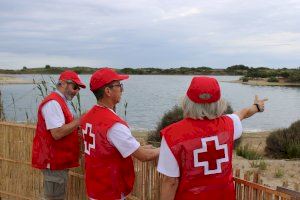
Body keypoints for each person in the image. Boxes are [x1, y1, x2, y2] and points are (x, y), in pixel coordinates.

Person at [157, 76, 268, 200]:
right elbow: (243, 113)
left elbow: (170, 181)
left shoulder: (172, 134)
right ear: (219, 103)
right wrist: (257, 107)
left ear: (187, 101)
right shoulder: (229, 124)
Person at [81, 68, 160, 200]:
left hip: (95, 187)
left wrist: (142, 147)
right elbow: (144, 156)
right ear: (108, 91)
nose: (122, 89)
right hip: (110, 190)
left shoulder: (88, 117)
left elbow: (105, 148)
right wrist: (165, 148)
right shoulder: (114, 125)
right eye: (119, 85)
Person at [32, 70, 86, 200]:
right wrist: (80, 120)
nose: (76, 91)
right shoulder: (53, 103)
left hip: (58, 160)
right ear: (62, 84)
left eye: (78, 88)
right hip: (53, 161)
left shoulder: (60, 101)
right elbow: (57, 133)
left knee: (54, 196)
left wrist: (76, 126)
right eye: (75, 87)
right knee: (54, 197)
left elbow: (64, 127)